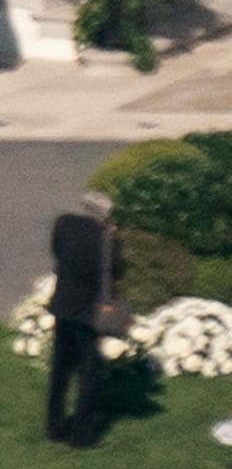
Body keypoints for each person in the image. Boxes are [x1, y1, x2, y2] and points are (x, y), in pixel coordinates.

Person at [47, 192, 121, 449]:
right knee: (89, 376)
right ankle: (82, 435)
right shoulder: (105, 238)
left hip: (63, 305)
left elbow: (56, 251)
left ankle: (54, 425)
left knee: (60, 370)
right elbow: (114, 271)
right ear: (105, 215)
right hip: (89, 314)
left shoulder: (64, 224)